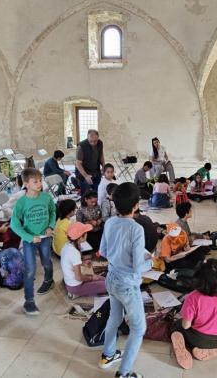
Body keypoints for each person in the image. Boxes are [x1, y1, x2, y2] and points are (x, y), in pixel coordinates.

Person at [98, 182, 151, 378]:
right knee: (139, 328)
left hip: (111, 278)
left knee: (115, 317)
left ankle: (108, 355)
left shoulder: (110, 222)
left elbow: (103, 251)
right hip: (128, 285)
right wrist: (150, 261)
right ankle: (124, 373)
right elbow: (138, 266)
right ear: (136, 205)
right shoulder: (136, 229)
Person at [170, 259, 217, 369]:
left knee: (176, 325)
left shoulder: (193, 297)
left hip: (199, 340)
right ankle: (216, 350)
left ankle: (185, 347)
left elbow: (186, 325)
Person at [10, 168, 57, 315]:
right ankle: (29, 301)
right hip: (29, 241)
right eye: (35, 181)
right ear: (26, 184)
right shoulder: (21, 203)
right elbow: (14, 225)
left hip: (45, 238)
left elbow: (52, 212)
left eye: (40, 180)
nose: (39, 184)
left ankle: (49, 280)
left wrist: (50, 226)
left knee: (46, 262)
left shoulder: (46, 198)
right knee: (30, 270)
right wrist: (30, 237)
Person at [62, 222, 107, 298]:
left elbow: (72, 262)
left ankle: (79, 291)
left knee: (101, 278)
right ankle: (76, 293)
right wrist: (92, 278)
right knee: (108, 285)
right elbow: (78, 277)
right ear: (80, 238)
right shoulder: (74, 252)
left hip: (71, 283)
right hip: (75, 287)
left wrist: (83, 263)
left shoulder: (67, 245)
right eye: (85, 233)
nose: (87, 234)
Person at [75, 129, 105, 197]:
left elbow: (101, 155)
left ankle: (96, 203)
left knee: (97, 192)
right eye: (91, 141)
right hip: (84, 173)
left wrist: (104, 166)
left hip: (96, 171)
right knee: (86, 195)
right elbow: (78, 163)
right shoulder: (81, 146)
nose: (93, 143)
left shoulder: (100, 143)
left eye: (95, 141)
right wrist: (86, 176)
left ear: (98, 137)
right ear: (87, 138)